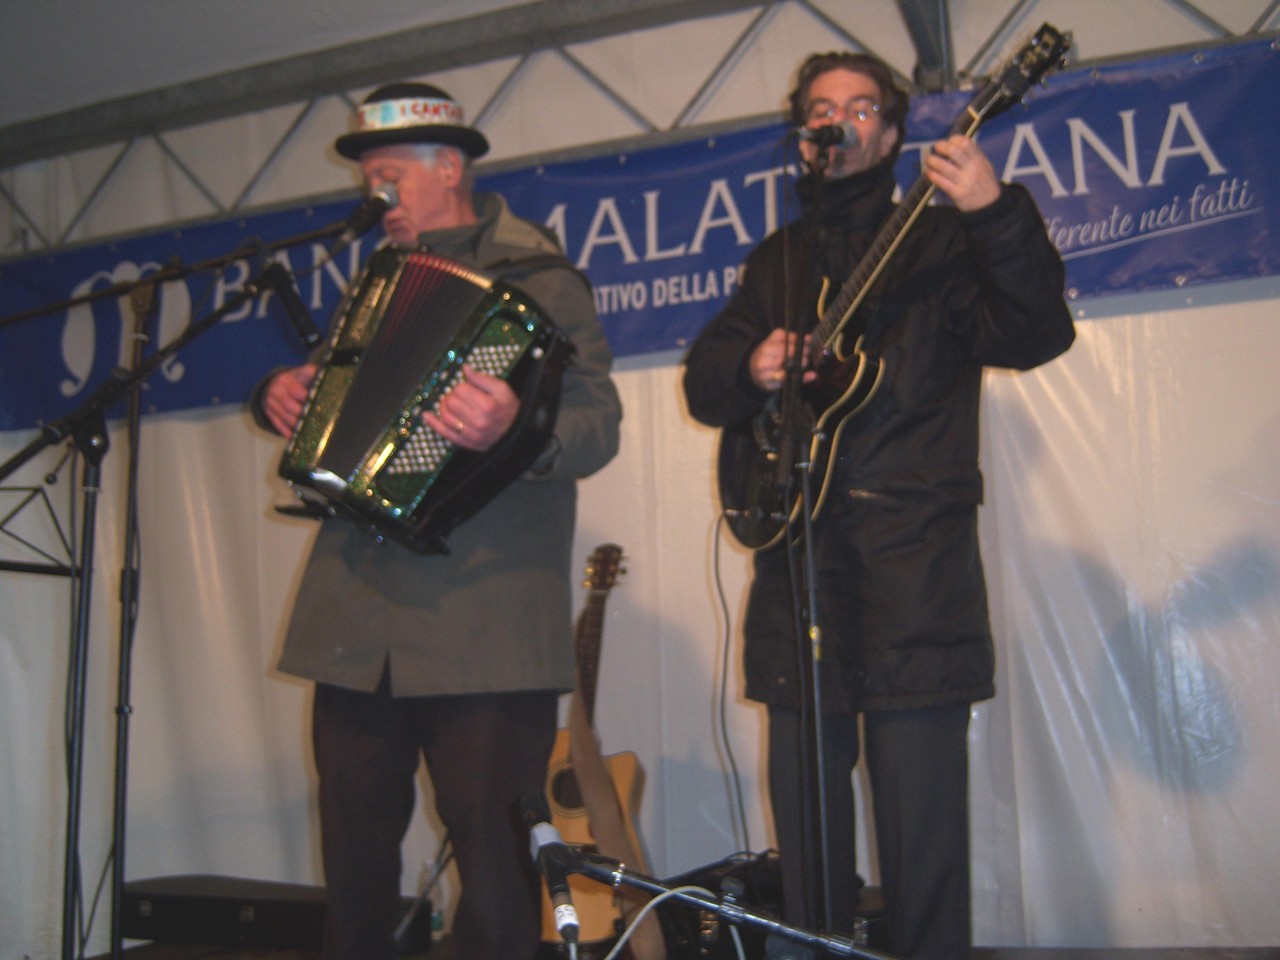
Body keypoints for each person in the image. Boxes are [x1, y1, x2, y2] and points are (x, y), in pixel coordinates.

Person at [681, 51, 1075, 960]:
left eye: (862, 108)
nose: (840, 121)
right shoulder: (779, 262)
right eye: (822, 108)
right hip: (797, 574)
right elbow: (708, 386)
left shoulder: (941, 243)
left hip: (912, 577)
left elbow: (1037, 330)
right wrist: (752, 365)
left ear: (893, 133)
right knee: (809, 848)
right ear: (802, 130)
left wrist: (995, 211)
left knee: (921, 839)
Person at [252, 82, 622, 960]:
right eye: (369, 182)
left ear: (448, 167)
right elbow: (341, 404)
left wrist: (516, 432)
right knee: (352, 848)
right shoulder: (375, 287)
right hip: (356, 618)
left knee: (494, 864)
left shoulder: (541, 277)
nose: (373, 200)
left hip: (482, 617)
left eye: (387, 178)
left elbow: (597, 422)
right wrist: (284, 395)